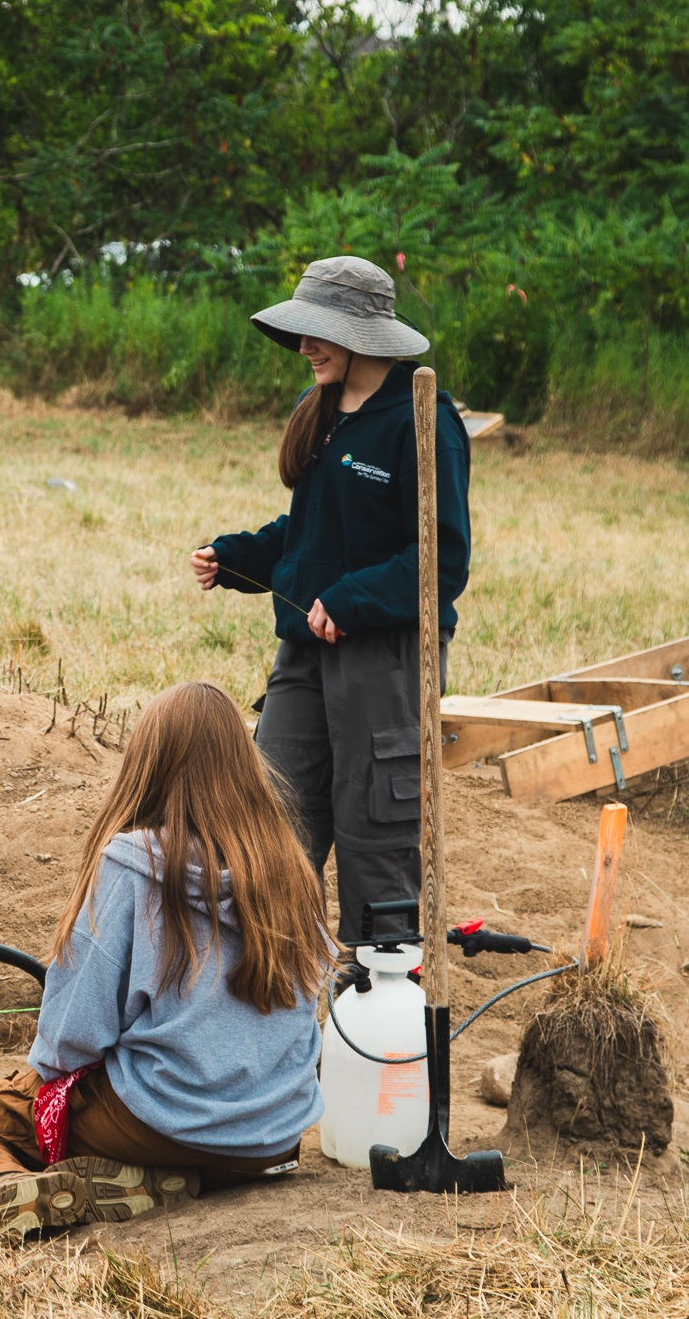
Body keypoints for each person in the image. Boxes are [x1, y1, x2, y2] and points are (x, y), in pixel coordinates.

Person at [0, 681, 329, 1234]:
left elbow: (71, 1041)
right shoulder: (291, 866)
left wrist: (33, 1086)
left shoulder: (130, 865)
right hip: (274, 1135)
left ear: (147, 765)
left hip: (162, 1122)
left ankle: (1, 1190)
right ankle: (183, 1177)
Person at [190, 256, 471, 943]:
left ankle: (377, 1002)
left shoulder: (420, 419)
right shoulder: (313, 410)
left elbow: (441, 558)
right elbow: (313, 531)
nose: (303, 346)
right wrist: (236, 557)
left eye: (319, 333)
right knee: (269, 822)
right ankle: (275, 991)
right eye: (300, 332)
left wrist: (350, 598)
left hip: (384, 656)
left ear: (365, 334)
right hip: (303, 651)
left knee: (376, 827)